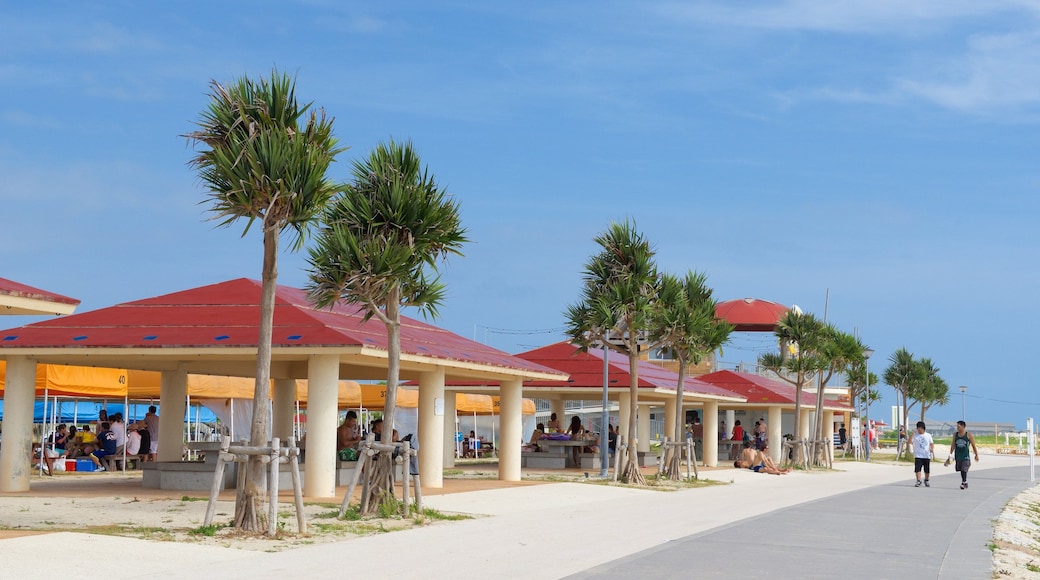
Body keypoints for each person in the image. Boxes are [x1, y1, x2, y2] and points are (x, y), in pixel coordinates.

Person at [946, 420, 980, 490]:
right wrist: (950, 455)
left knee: (963, 469)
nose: (957, 428)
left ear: (963, 427)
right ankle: (965, 482)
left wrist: (976, 455)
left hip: (965, 456)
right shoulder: (955, 435)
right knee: (960, 469)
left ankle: (964, 482)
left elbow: (973, 445)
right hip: (958, 456)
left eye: (959, 426)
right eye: (957, 426)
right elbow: (953, 445)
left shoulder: (968, 435)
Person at [910, 421, 934, 487]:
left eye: (921, 428)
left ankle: (926, 480)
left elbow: (931, 443)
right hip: (918, 455)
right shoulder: (915, 435)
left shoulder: (928, 435)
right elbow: (909, 442)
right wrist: (912, 434)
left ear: (924, 428)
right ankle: (918, 480)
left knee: (927, 470)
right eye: (918, 428)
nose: (919, 429)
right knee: (917, 469)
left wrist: (931, 449)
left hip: (926, 455)